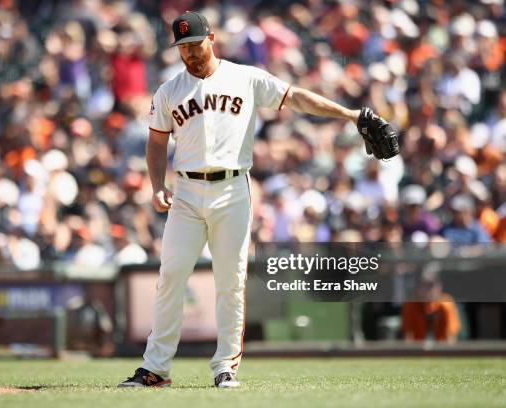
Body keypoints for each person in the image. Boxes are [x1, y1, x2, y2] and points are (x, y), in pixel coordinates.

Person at [119, 11, 397, 389]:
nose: (189, 53)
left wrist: (348, 114)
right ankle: (156, 368)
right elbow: (156, 142)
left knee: (230, 282)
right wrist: (156, 184)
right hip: (185, 192)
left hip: (232, 189)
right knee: (170, 276)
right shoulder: (169, 91)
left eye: (195, 44)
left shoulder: (244, 77)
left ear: (212, 38)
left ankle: (225, 367)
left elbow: (295, 97)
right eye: (182, 47)